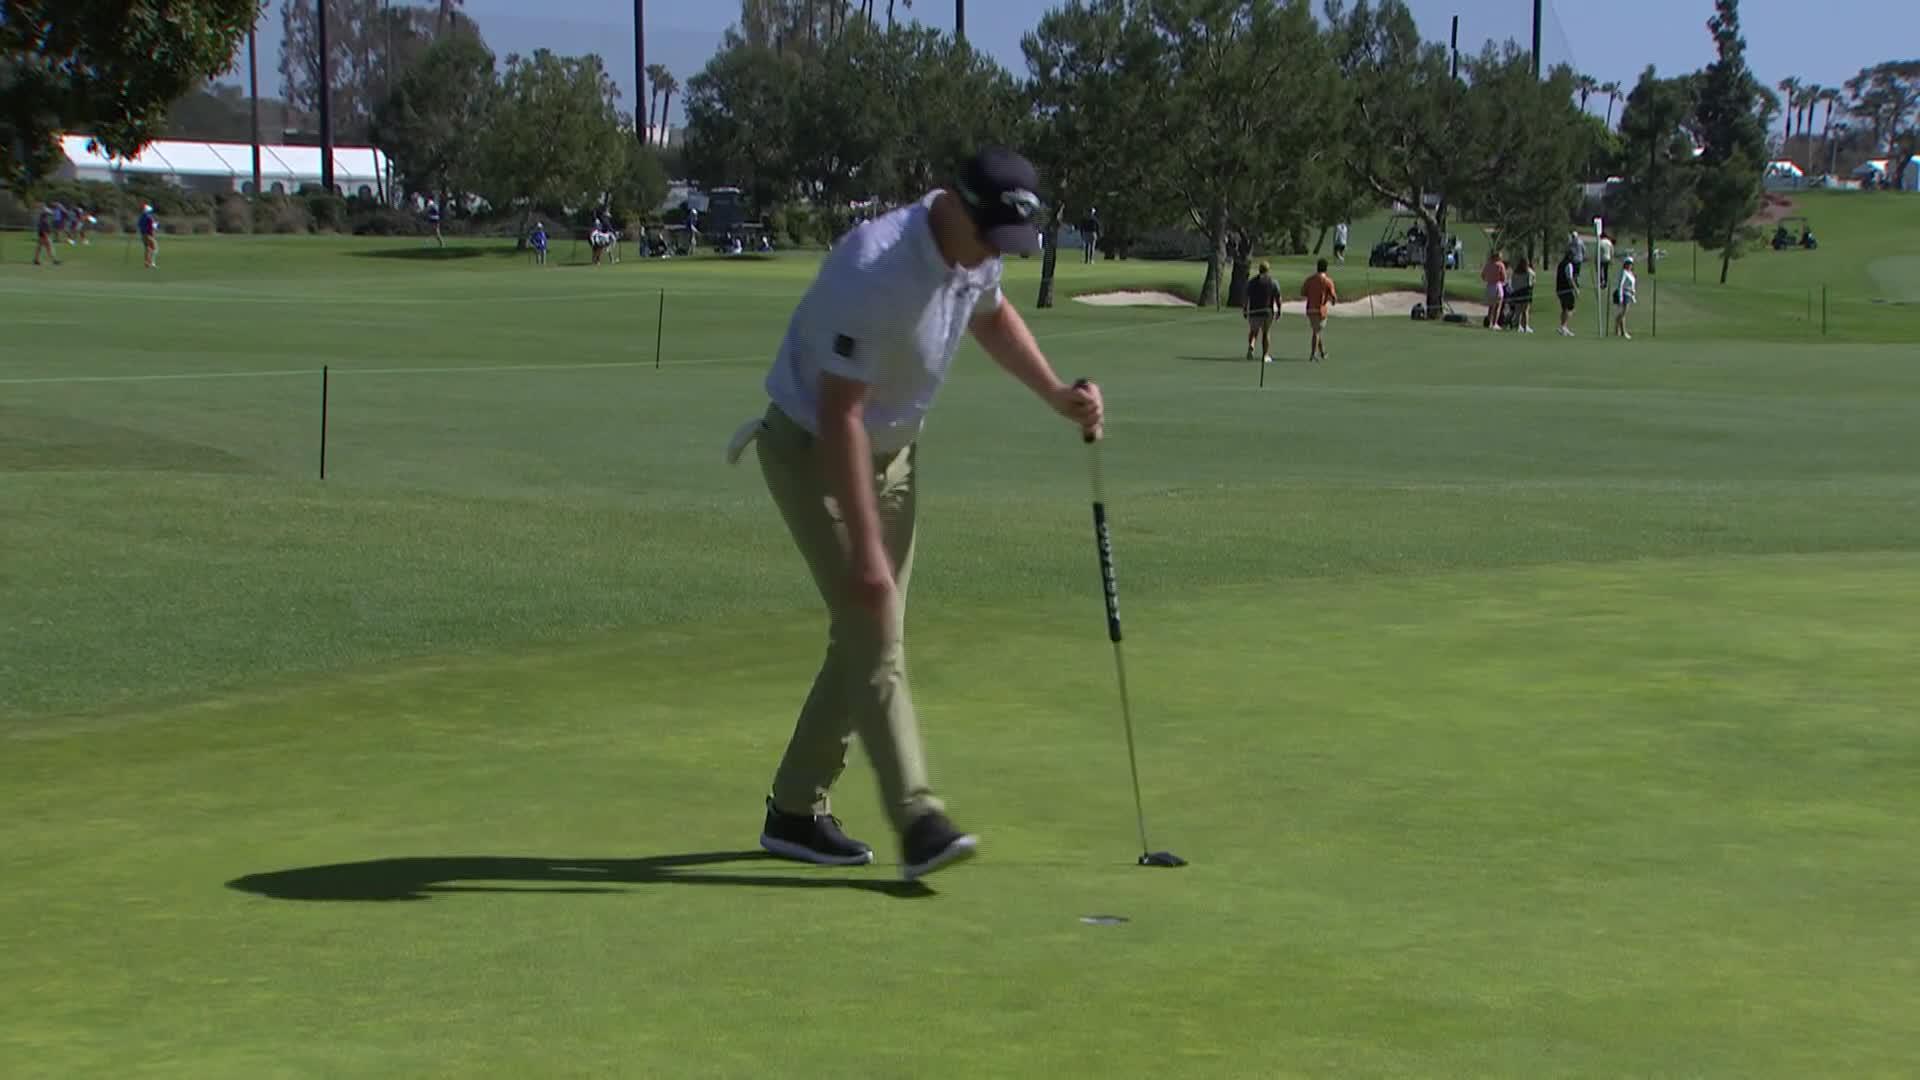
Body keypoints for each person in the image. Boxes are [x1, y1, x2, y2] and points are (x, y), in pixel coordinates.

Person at [724, 147, 1102, 882]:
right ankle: (918, 818)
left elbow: (991, 318)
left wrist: (1056, 394)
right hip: (816, 450)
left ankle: (795, 811)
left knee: (870, 633)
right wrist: (866, 547)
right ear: (953, 206)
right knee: (874, 623)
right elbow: (840, 415)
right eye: (991, 234)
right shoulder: (876, 267)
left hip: (896, 455)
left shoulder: (974, 251)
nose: (996, 252)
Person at [1244, 260, 1281, 363]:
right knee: (1266, 333)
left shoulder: (1251, 282)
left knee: (1253, 331)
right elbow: (1278, 298)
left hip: (1254, 311)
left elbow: (1246, 297)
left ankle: (1251, 345)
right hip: (1266, 312)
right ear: (1268, 270)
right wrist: (1279, 310)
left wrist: (1245, 309)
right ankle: (1265, 355)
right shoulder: (1273, 282)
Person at [1301, 258, 1337, 362]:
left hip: (1310, 309)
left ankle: (1322, 352)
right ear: (1326, 268)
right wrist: (1333, 301)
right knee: (1316, 332)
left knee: (1316, 330)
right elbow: (1333, 296)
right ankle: (1313, 354)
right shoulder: (1327, 281)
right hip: (1320, 310)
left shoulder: (1310, 279)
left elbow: (1303, 292)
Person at [1481, 249, 1508, 331]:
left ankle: (1489, 322)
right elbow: (1504, 277)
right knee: (1497, 306)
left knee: (1490, 306)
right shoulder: (1500, 265)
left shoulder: (1488, 264)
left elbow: (1482, 276)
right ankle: (1495, 323)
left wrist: (1489, 278)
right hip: (1497, 285)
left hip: (1489, 286)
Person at [1612, 254, 1638, 339]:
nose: (1629, 265)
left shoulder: (1631, 273)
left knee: (1624, 313)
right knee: (1624, 313)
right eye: (1628, 263)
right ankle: (1622, 331)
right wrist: (1620, 297)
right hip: (1624, 294)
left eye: (1630, 263)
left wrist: (1633, 296)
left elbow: (1632, 286)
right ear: (1625, 264)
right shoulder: (1624, 272)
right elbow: (1621, 285)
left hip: (1629, 294)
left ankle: (1618, 329)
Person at [1554, 249, 1579, 336]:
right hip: (1566, 289)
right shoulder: (1569, 265)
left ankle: (1562, 327)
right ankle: (1564, 326)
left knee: (1564, 308)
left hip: (1559, 289)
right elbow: (1570, 278)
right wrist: (1575, 289)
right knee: (1570, 308)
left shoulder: (1561, 264)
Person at [1508, 257, 1535, 334]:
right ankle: (1525, 326)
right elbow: (1530, 283)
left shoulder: (1516, 271)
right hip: (1526, 292)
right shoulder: (1529, 272)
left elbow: (1512, 282)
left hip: (1517, 292)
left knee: (1518, 310)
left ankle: (1518, 326)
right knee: (1525, 310)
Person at [33, 201, 60, 266]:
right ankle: (54, 260)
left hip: (43, 234)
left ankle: (36, 260)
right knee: (49, 247)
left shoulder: (43, 219)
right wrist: (46, 236)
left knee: (40, 247)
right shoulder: (43, 220)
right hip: (44, 234)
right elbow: (43, 229)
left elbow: (50, 213)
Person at [137, 203, 159, 269]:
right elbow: (153, 227)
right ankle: (152, 263)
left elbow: (139, 225)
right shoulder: (149, 217)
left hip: (143, 234)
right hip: (149, 234)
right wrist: (156, 225)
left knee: (148, 248)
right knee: (155, 248)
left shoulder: (141, 217)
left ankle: (147, 263)